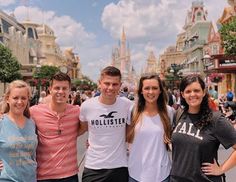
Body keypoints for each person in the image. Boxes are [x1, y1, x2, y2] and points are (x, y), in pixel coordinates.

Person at [170, 74, 236, 182]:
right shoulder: (179, 115)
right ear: (182, 94)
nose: (192, 94)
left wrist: (221, 169)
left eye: (196, 90)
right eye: (188, 91)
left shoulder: (216, 119)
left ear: (203, 92)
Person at [79, 66, 133, 182]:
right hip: (94, 167)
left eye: (115, 84)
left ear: (120, 85)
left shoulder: (127, 105)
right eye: (107, 83)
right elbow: (83, 128)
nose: (110, 88)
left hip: (119, 167)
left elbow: (130, 132)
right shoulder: (87, 106)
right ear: (99, 83)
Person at [30, 72, 80, 182]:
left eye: (64, 88)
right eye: (57, 88)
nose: (61, 91)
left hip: (70, 176)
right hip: (44, 176)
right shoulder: (34, 112)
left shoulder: (76, 112)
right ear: (50, 89)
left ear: (69, 90)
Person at [126, 74, 174, 182]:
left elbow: (174, 139)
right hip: (136, 174)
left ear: (160, 91)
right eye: (147, 88)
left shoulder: (169, 112)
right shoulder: (132, 111)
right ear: (141, 91)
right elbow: (124, 136)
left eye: (155, 88)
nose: (151, 92)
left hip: (162, 174)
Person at [0, 80, 38, 181]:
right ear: (8, 99)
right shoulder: (1, 122)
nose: (20, 102)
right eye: (15, 98)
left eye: (23, 98)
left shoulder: (32, 123)